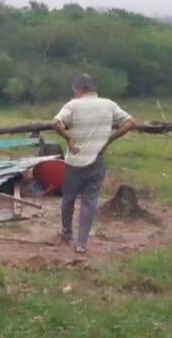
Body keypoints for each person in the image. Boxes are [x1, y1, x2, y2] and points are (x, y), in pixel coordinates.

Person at [52, 74, 137, 254]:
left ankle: (66, 232)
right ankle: (82, 243)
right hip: (97, 159)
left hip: (75, 161)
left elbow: (56, 123)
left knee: (68, 198)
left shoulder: (73, 105)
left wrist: (68, 139)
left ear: (79, 89)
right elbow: (131, 122)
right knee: (89, 201)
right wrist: (109, 140)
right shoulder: (109, 105)